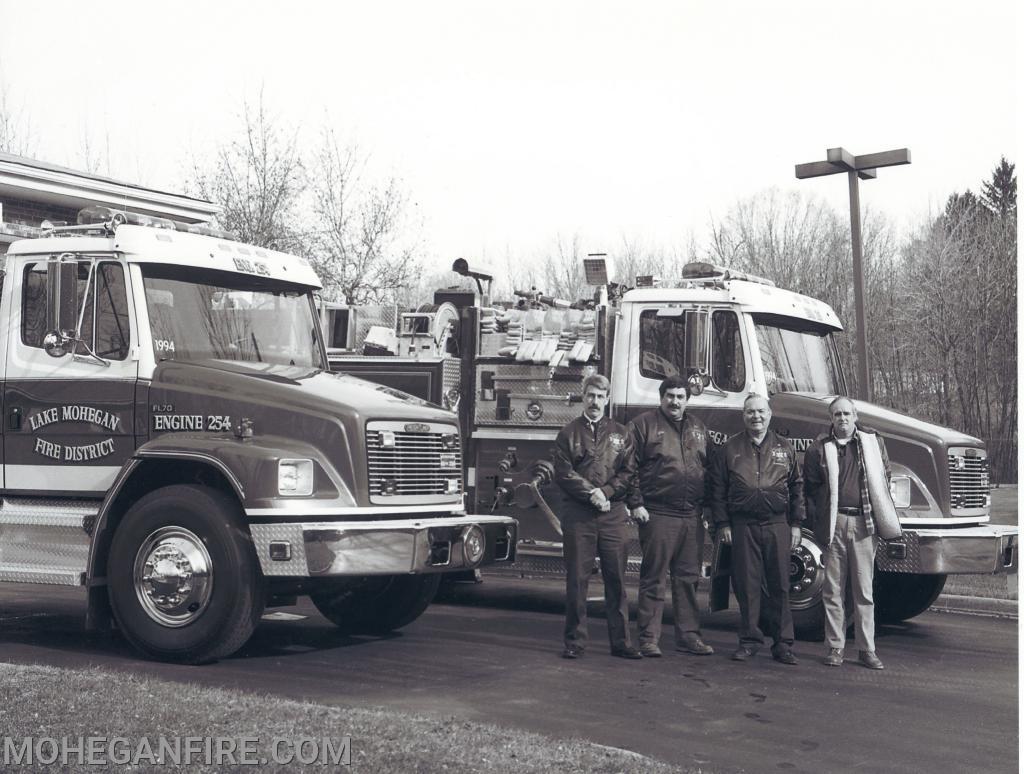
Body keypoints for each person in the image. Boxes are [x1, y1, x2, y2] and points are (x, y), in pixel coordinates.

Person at [710, 393, 804, 665]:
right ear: (744, 415)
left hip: (777, 523)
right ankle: (749, 640)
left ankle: (783, 644)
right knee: (746, 585)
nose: (756, 416)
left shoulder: (785, 447)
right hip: (743, 525)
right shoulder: (730, 448)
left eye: (761, 411)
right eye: (750, 412)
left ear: (770, 414)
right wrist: (723, 524)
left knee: (781, 585)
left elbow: (797, 487)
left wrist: (796, 523)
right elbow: (717, 489)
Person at [553, 373, 641, 660]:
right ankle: (575, 642)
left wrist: (606, 492)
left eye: (600, 396)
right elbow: (565, 474)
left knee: (616, 579)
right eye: (590, 395)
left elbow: (628, 472)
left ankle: (621, 643)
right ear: (583, 396)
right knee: (577, 579)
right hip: (579, 515)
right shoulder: (568, 434)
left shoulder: (622, 433)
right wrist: (592, 494)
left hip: (612, 515)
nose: (595, 401)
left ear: (607, 399)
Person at [627, 375, 714, 658]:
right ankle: (648, 638)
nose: (675, 402)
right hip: (658, 512)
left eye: (680, 397)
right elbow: (628, 468)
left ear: (687, 400)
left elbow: (708, 469)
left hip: (691, 514)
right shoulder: (643, 426)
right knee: (654, 578)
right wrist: (636, 503)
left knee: (688, 578)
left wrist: (709, 509)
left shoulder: (699, 428)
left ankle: (688, 636)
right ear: (661, 397)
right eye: (670, 396)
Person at [804, 397, 892, 670]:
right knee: (832, 590)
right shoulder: (819, 448)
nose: (842, 419)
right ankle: (835, 647)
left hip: (864, 524)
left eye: (847, 414)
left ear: (855, 416)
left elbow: (885, 476)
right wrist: (819, 523)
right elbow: (810, 489)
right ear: (831, 418)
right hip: (833, 526)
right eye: (837, 414)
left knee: (864, 591)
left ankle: (867, 650)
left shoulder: (872, 443)